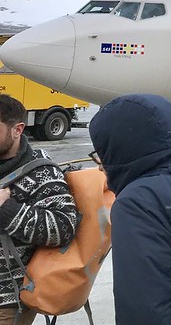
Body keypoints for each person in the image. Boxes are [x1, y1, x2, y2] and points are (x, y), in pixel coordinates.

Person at [89, 94, 171, 325]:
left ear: (118, 146)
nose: (100, 165)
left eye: (101, 153)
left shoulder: (137, 202)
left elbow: (143, 309)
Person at [0, 95, 78, 325]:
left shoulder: (42, 172)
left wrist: (7, 209)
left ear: (17, 129)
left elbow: (63, 228)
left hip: (7, 301)